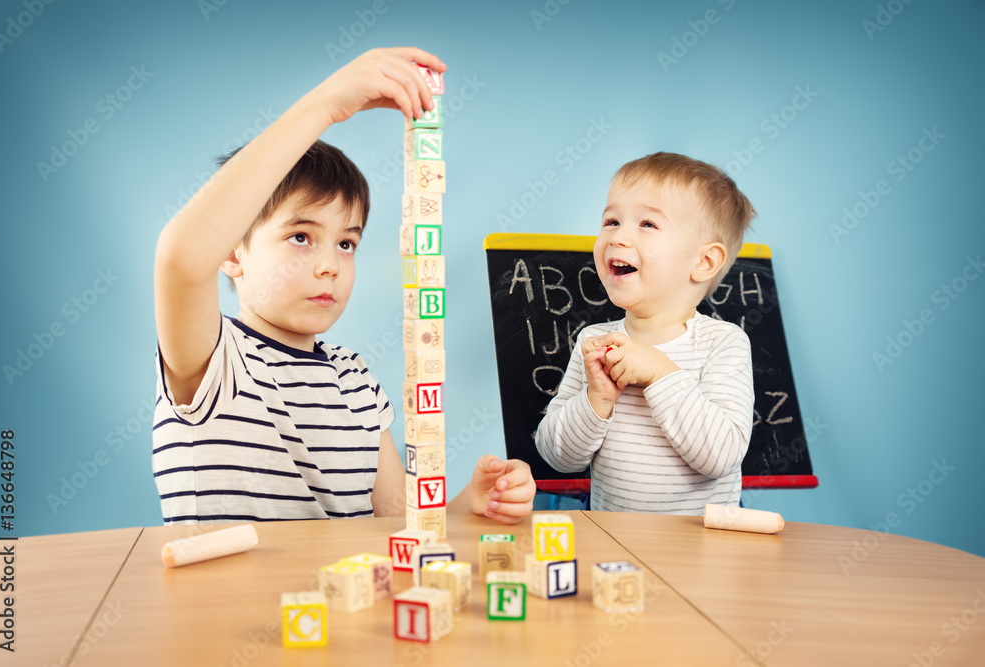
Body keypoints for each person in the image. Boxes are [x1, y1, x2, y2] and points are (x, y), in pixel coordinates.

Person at [152, 47, 534, 524]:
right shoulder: (214, 361)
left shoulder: (356, 383)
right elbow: (181, 259)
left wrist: (469, 507)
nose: (329, 265)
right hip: (230, 600)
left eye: (346, 244)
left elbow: (396, 519)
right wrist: (325, 106)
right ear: (231, 252)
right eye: (300, 237)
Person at [535, 153, 756, 514]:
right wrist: (596, 400)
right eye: (611, 220)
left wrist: (661, 374)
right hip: (613, 546)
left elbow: (721, 457)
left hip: (700, 552)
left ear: (703, 262)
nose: (618, 236)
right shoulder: (595, 342)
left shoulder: (723, 343)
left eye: (648, 224)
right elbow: (558, 456)